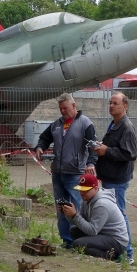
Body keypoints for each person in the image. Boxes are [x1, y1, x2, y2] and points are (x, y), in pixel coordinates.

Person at [35, 93, 97, 247]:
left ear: (74, 106)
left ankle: (79, 240)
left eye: (65, 108)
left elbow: (93, 147)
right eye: (60, 109)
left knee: (77, 208)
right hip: (57, 173)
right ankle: (66, 240)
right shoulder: (56, 124)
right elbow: (44, 138)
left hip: (75, 173)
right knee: (61, 208)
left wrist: (91, 163)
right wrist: (40, 147)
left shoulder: (85, 124)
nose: (62, 111)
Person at [93, 92, 137, 263]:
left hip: (117, 179)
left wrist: (106, 151)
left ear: (125, 106)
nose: (111, 106)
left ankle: (127, 254)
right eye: (110, 103)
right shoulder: (114, 124)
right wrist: (101, 148)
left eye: (116, 103)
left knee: (119, 215)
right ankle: (117, 251)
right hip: (109, 177)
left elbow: (130, 153)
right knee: (114, 214)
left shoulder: (126, 127)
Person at [61, 174, 129, 260]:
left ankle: (112, 256)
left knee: (78, 244)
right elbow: (82, 223)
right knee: (74, 231)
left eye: (85, 190)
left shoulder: (101, 204)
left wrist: (75, 215)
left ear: (96, 188)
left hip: (116, 240)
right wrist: (69, 215)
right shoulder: (87, 200)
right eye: (81, 190)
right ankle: (98, 251)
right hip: (102, 233)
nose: (82, 193)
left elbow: (92, 231)